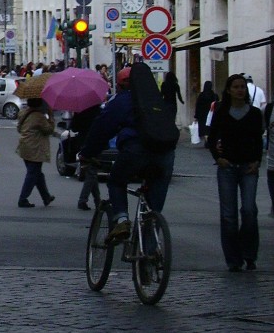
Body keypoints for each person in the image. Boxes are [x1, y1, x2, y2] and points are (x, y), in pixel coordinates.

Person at [80, 66, 175, 242]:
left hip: (136, 150)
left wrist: (87, 153)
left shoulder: (123, 100)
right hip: (166, 154)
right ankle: (150, 258)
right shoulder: (156, 99)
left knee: (116, 181)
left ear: (122, 85)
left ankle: (122, 220)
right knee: (153, 212)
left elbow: (102, 128)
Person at [206, 74, 263, 272]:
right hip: (227, 167)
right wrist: (218, 157)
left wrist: (257, 162)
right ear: (229, 90)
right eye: (236, 87)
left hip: (248, 167)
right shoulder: (221, 112)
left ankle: (249, 254)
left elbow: (258, 140)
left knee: (249, 211)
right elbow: (212, 138)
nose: (240, 90)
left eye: (243, 87)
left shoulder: (255, 113)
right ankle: (233, 259)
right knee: (228, 215)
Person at [15, 97, 56, 208]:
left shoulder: (23, 113)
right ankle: (23, 198)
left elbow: (19, 129)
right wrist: (51, 116)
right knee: (33, 173)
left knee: (37, 173)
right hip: (35, 148)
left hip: (25, 146)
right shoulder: (39, 116)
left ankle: (46, 197)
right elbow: (49, 130)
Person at [70, 104, 102, 211]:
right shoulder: (98, 111)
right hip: (95, 143)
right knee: (92, 172)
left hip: (83, 143)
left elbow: (74, 127)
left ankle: (97, 201)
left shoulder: (80, 110)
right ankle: (83, 200)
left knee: (91, 172)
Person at [193, 80, 218, 146]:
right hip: (211, 114)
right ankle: (209, 141)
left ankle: (206, 140)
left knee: (204, 129)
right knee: (209, 128)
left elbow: (198, 106)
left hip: (202, 115)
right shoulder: (214, 95)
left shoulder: (201, 95)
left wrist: (196, 116)